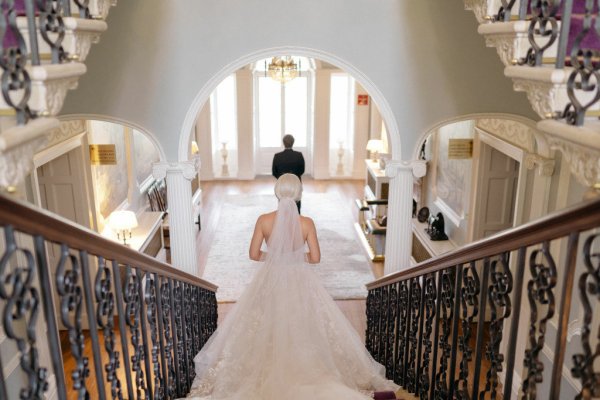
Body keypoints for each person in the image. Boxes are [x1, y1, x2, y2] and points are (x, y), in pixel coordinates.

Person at [187, 174, 398, 400]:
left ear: (277, 193)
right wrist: (294, 258)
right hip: (299, 278)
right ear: (299, 194)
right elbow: (315, 258)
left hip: (272, 277)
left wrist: (277, 257)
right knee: (302, 323)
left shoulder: (264, 220)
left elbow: (253, 254)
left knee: (267, 322)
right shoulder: (306, 223)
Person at [272, 134, 305, 213]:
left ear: (283, 143)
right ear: (293, 143)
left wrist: (283, 179)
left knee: (282, 203)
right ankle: (297, 218)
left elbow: (274, 172)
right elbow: (302, 170)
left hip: (282, 184)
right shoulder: (299, 155)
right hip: (296, 183)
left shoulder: (277, 156)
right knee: (297, 205)